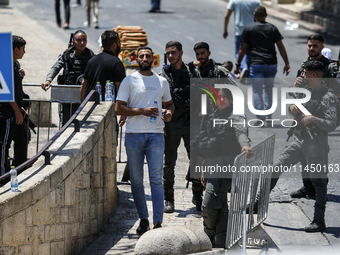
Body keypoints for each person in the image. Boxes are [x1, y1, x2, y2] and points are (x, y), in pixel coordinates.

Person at [256, 60, 337, 232]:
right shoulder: (304, 92)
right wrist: (291, 108)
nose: (302, 76)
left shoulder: (327, 97)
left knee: (319, 182)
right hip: (299, 141)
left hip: (316, 144)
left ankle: (318, 221)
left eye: (305, 73)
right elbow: (292, 109)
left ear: (313, 75)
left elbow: (331, 123)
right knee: (275, 168)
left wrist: (314, 119)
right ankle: (258, 203)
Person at [115, 46, 174, 234]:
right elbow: (119, 108)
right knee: (137, 181)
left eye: (148, 56)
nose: (145, 58)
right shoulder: (129, 80)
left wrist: (169, 113)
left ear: (153, 60)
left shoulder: (162, 81)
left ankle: (157, 222)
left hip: (156, 135)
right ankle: (143, 219)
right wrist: (142, 111)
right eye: (142, 56)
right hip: (133, 135)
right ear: (136, 59)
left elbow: (169, 104)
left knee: (156, 179)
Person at [193, 88, 252, 247]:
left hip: (226, 167)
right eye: (219, 97)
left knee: (209, 202)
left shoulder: (236, 116)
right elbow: (202, 143)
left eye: (225, 97)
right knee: (220, 202)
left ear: (231, 100)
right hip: (210, 166)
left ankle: (209, 235)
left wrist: (245, 146)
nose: (222, 99)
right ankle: (221, 237)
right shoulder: (211, 117)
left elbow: (241, 133)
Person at [291, 34, 340, 199]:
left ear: (322, 46)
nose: (312, 49)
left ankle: (320, 188)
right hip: (305, 114)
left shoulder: (331, 68)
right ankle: (308, 187)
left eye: (315, 46)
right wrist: (296, 85)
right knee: (304, 151)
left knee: (319, 153)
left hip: (322, 117)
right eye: (309, 46)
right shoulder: (305, 66)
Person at [159, 41, 200, 213]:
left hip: (191, 124)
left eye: (173, 53)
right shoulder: (163, 75)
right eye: (168, 53)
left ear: (181, 53)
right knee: (169, 163)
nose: (170, 56)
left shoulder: (193, 73)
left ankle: (198, 197)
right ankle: (169, 199)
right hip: (172, 124)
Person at [234, 6, 290, 125]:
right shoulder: (272, 28)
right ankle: (268, 113)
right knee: (269, 88)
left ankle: (260, 117)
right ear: (266, 15)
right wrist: (286, 63)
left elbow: (242, 48)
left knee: (257, 90)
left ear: (254, 15)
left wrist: (238, 64)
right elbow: (280, 46)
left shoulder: (249, 29)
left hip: (256, 64)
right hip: (271, 64)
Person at [42, 30, 94, 126]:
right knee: (66, 122)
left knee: (84, 123)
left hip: (84, 95)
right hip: (67, 95)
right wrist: (48, 80)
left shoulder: (90, 55)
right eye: (79, 40)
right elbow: (56, 67)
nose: (82, 43)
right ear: (73, 42)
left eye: (84, 40)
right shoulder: (66, 55)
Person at [0, 35, 26, 180]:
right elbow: (7, 94)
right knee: (4, 146)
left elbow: (15, 89)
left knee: (22, 140)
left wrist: (20, 108)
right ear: (15, 49)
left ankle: (20, 172)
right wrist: (16, 111)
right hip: (7, 114)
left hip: (16, 111)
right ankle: (3, 179)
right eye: (23, 49)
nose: (24, 52)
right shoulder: (5, 66)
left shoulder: (15, 65)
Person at [81, 30, 126, 102]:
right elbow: (119, 87)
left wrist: (82, 104)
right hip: (106, 107)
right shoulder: (116, 63)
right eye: (119, 43)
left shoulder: (91, 61)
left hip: (88, 105)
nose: (120, 45)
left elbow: (84, 83)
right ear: (114, 45)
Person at [223, 0, 261, 82]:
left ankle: (244, 67)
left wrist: (225, 29)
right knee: (249, 53)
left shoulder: (234, 1)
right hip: (253, 31)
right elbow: (261, 15)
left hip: (240, 32)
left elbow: (227, 16)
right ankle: (248, 73)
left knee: (238, 52)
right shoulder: (256, 1)